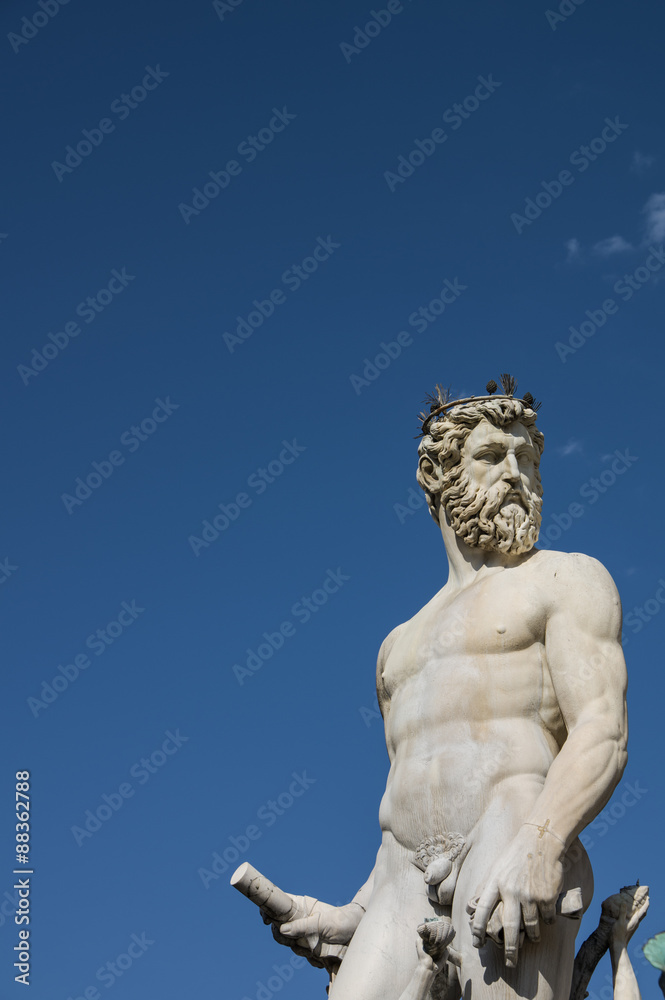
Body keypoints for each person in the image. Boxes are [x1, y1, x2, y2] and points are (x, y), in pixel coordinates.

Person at [258, 381, 629, 1000]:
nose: (515, 474)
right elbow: (408, 794)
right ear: (435, 474)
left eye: (527, 458)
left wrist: (542, 842)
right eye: (492, 455)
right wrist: (351, 914)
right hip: (403, 875)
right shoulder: (396, 647)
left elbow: (602, 731)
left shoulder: (566, 579)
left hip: (513, 828)